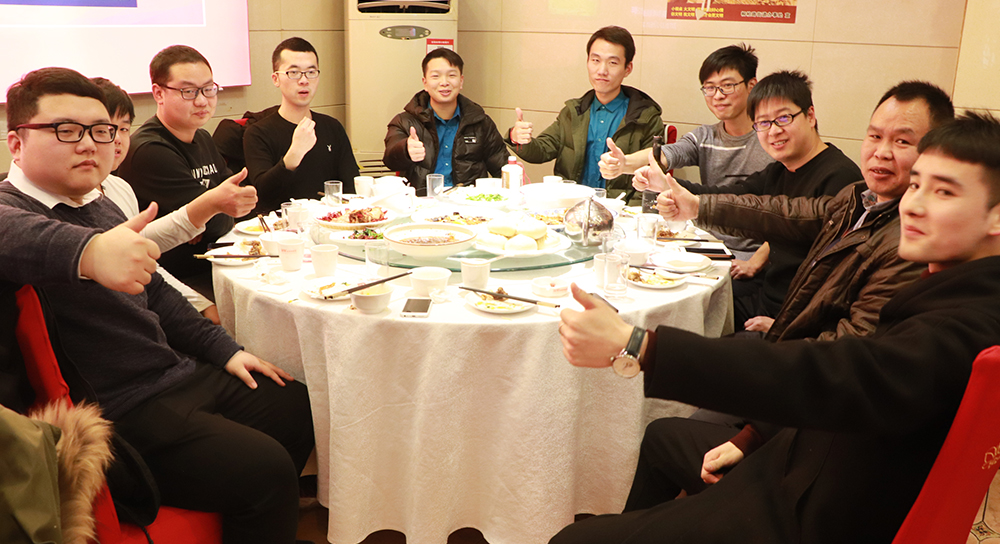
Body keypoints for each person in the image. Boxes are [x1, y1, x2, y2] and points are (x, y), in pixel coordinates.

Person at [554, 111, 1000, 543]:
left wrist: (639, 345)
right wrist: (756, 437)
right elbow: (776, 211)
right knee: (660, 446)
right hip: (790, 459)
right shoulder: (928, 273)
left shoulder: (963, 326)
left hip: (799, 510)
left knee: (575, 539)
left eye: (944, 192)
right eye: (917, 184)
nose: (915, 204)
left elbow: (836, 374)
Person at [2, 67, 314, 544]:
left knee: (294, 405)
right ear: (16, 143)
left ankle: (251, 519)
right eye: (65, 130)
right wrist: (89, 252)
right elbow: (16, 234)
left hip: (173, 373)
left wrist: (226, 350)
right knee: (266, 468)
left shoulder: (99, 202)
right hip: (122, 410)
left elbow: (160, 295)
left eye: (100, 131)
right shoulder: (14, 209)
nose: (89, 144)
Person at [621, 81, 955, 511]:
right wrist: (697, 206)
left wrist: (754, 433)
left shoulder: (909, 243)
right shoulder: (859, 199)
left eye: (903, 141)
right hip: (793, 365)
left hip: (810, 439)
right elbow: (780, 211)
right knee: (683, 410)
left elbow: (849, 357)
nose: (882, 152)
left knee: (668, 430)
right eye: (875, 136)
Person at [635, 70, 861, 332]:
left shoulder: (841, 177)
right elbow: (731, 196)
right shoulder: (778, 171)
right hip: (767, 297)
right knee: (675, 310)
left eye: (783, 118)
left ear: (810, 116)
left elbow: (840, 277)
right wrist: (667, 185)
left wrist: (787, 328)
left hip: (795, 319)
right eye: (763, 123)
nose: (773, 131)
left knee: (685, 332)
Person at [90, 77, 257, 324]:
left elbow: (145, 257)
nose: (116, 139)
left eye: (123, 129)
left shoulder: (118, 187)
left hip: (158, 291)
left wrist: (200, 306)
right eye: (102, 130)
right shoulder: (149, 148)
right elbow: (218, 222)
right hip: (135, 307)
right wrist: (209, 209)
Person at [598, 43, 773, 259]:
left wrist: (756, 261)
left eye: (727, 86)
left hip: (750, 254)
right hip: (707, 245)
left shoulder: (771, 140)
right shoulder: (705, 137)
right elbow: (666, 154)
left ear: (751, 85)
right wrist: (624, 163)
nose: (718, 95)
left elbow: (786, 218)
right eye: (710, 87)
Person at [116, 45, 247, 294]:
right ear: (159, 93)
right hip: (175, 280)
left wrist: (209, 214)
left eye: (208, 89)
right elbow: (219, 221)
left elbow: (236, 202)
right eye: (188, 91)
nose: (202, 100)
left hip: (216, 262)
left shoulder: (203, 137)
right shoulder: (151, 149)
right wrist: (210, 214)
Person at [506, 26, 663, 194]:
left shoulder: (645, 117)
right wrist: (518, 139)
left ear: (628, 68)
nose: (602, 71)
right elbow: (541, 151)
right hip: (572, 203)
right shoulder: (574, 112)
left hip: (620, 207)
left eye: (612, 63)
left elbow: (653, 176)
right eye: (595, 60)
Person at [244, 37, 359, 215]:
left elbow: (351, 186)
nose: (304, 80)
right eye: (294, 73)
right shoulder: (258, 133)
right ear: (276, 79)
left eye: (311, 72)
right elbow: (263, 195)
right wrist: (295, 153)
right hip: (282, 226)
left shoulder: (332, 127)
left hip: (331, 222)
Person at [383, 48, 508, 195]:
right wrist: (405, 149)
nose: (444, 82)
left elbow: (502, 167)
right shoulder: (404, 121)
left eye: (451, 75)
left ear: (461, 81)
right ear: (425, 83)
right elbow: (390, 160)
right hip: (421, 201)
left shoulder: (481, 122)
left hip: (468, 203)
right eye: (436, 76)